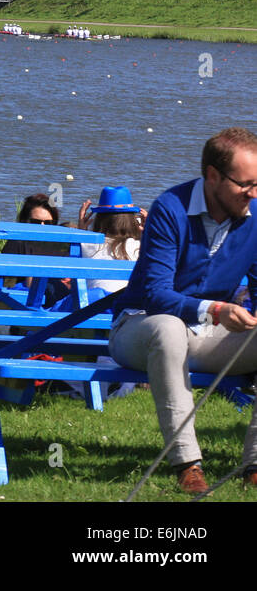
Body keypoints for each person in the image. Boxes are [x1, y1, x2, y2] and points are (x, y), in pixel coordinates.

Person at [109, 128, 257, 495]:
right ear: (212, 176)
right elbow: (156, 295)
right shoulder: (169, 208)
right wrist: (216, 309)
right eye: (246, 184)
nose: (254, 194)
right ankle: (187, 465)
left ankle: (254, 465)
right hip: (139, 328)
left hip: (208, 335)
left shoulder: (255, 215)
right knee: (169, 329)